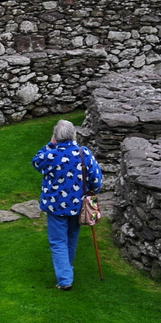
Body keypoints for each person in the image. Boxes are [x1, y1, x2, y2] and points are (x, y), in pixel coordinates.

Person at [32, 119, 103, 290]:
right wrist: (92, 190)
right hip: (78, 205)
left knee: (58, 242)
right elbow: (97, 180)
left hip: (55, 206)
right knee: (71, 239)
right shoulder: (83, 153)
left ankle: (65, 280)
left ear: (56, 137)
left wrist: (50, 144)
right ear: (74, 135)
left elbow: (36, 161)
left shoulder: (51, 155)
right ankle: (67, 271)